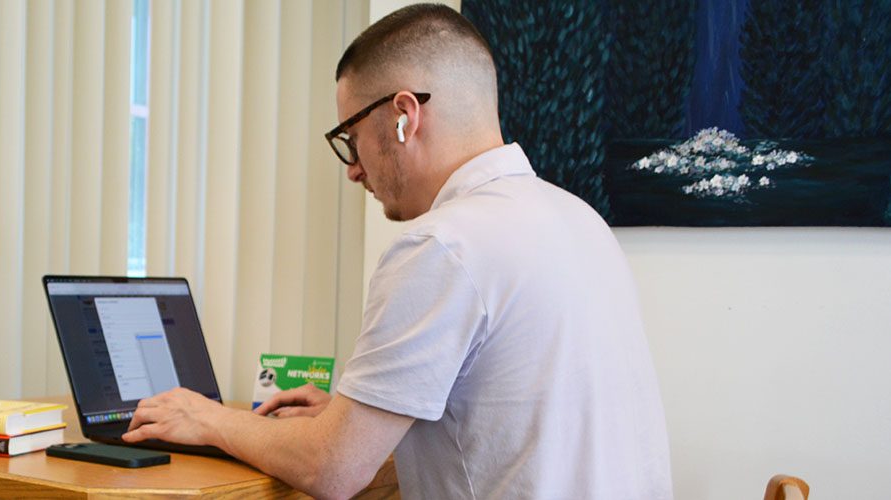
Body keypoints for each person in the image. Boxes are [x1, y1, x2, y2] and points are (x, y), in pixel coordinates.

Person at [124, 4, 673, 499]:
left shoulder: (443, 245)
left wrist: (207, 417)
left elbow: (331, 472)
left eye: (351, 136)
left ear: (403, 116)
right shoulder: (577, 218)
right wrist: (354, 417)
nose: (353, 168)